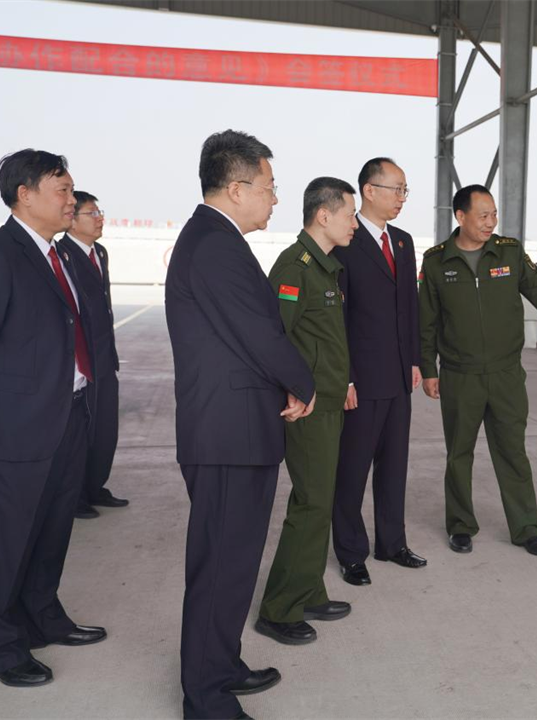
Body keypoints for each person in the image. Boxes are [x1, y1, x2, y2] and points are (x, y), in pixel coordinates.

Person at [165, 130, 316, 720]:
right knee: (220, 565)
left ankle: (221, 664)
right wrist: (303, 382)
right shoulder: (214, 245)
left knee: (233, 563)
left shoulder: (217, 240)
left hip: (239, 429)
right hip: (227, 434)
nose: (275, 198)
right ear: (236, 188)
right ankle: (205, 699)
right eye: (269, 187)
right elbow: (260, 334)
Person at [0, 149, 106, 688]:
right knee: (3, 541)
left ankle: (42, 615)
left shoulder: (60, 255)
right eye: (63, 190)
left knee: (51, 530)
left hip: (66, 415)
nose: (72, 200)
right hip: (12, 426)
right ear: (25, 194)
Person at [419, 184, 537, 557]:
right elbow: (426, 321)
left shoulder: (509, 252)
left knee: (513, 452)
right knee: (458, 455)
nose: (490, 222)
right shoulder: (436, 262)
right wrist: (428, 368)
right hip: (459, 375)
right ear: (460, 216)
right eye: (483, 215)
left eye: (494, 214)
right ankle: (460, 526)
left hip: (506, 374)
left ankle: (526, 529)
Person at [255, 177, 358, 646]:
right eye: (349, 215)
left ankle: (309, 590)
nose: (354, 224)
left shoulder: (324, 267)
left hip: (329, 401)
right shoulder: (294, 268)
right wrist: (295, 390)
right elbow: (275, 339)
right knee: (311, 503)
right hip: (308, 408)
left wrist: (344, 382)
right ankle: (279, 609)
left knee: (321, 500)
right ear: (323, 215)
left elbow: (324, 339)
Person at [332, 158, 426, 587]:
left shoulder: (403, 242)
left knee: (394, 467)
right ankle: (352, 553)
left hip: (398, 377)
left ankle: (392, 543)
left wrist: (415, 361)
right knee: (352, 470)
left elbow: (410, 308)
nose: (402, 198)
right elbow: (339, 318)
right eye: (396, 189)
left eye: (405, 190)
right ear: (369, 191)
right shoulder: (346, 242)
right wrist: (346, 377)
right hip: (362, 380)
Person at [57, 191, 128, 520]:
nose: (100, 218)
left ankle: (95, 486)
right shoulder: (62, 255)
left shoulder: (99, 252)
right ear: (72, 221)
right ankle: (75, 497)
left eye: (100, 212)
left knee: (104, 429)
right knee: (81, 432)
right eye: (92, 213)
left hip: (104, 357)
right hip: (82, 361)